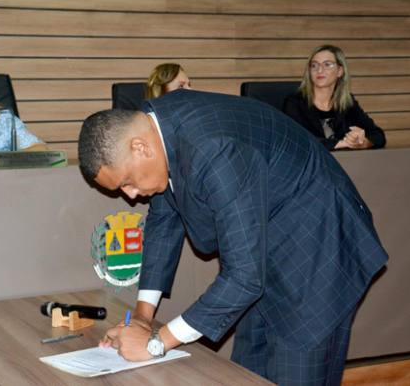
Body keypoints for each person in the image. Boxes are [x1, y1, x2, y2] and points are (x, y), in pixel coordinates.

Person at [78, 89, 388, 385]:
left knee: (295, 373)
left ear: (139, 147)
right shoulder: (155, 128)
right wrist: (143, 318)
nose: (130, 195)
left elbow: (244, 278)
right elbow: (164, 217)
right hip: (267, 246)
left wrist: (157, 343)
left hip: (318, 250)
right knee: (246, 373)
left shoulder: (214, 149)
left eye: (127, 182)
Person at [283, 45, 386, 151]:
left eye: (327, 64)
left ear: (340, 71)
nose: (319, 70)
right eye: (314, 65)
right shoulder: (295, 103)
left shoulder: (347, 102)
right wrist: (343, 143)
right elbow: (298, 140)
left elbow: (378, 135)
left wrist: (363, 142)